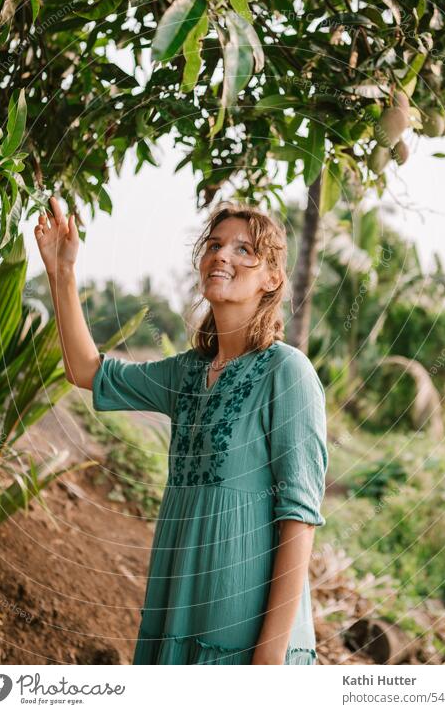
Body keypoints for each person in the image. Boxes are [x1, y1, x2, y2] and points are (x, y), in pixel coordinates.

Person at [34, 195, 328, 665]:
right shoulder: (186, 374)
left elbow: (300, 518)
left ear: (272, 278)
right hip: (177, 608)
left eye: (243, 250)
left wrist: (269, 661)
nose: (221, 255)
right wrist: (61, 272)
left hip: (245, 633)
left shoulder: (287, 373)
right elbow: (86, 370)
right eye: (214, 245)